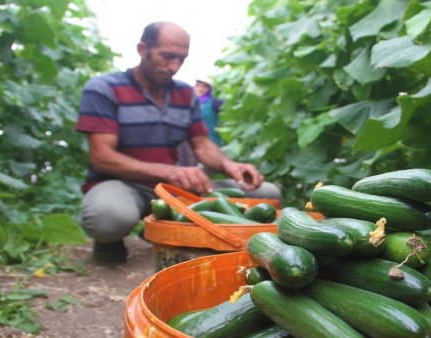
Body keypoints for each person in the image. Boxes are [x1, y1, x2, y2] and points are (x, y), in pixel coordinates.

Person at [75, 21, 281, 264]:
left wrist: (230, 167)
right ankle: (112, 239)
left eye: (181, 59)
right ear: (142, 49)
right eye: (167, 56)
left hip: (175, 190)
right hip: (123, 185)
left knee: (267, 193)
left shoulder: (185, 94)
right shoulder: (104, 89)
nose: (174, 66)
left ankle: (160, 226)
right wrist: (171, 171)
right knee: (108, 217)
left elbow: (202, 145)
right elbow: (102, 157)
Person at [194, 78, 223, 145]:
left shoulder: (216, 103)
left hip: (213, 142)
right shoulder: (188, 103)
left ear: (209, 89)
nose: (200, 89)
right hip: (194, 144)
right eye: (198, 85)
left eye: (204, 87)